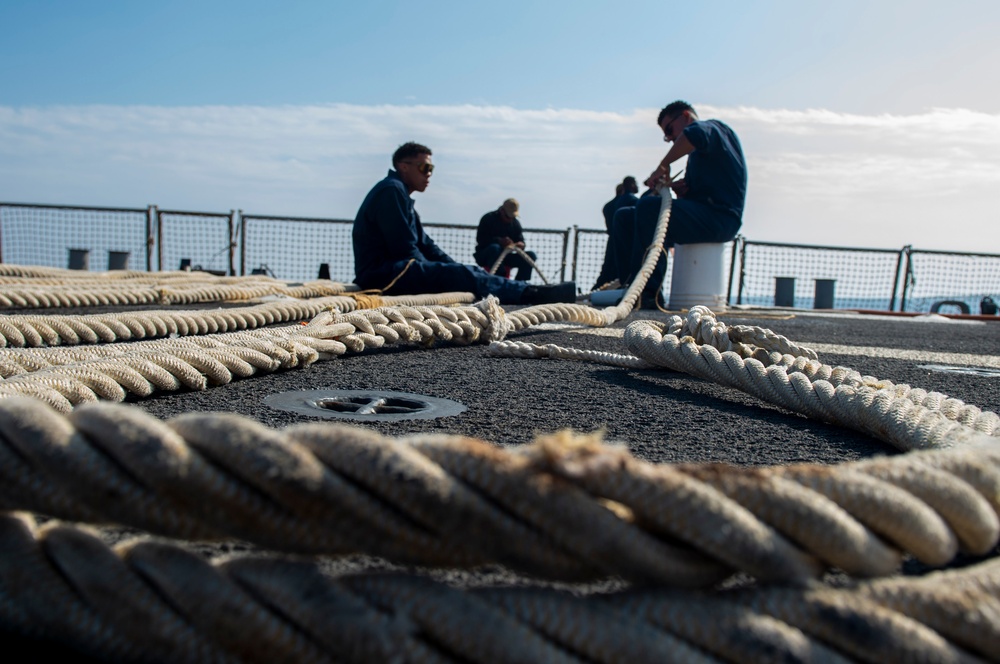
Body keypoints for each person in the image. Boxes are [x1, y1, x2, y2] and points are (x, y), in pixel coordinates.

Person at [353, 142, 576, 305]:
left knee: (464, 272)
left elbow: (426, 245)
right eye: (425, 168)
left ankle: (528, 290)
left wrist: (452, 268)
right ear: (403, 166)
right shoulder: (391, 191)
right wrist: (450, 273)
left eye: (431, 169)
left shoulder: (399, 194)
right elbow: (404, 248)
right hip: (384, 275)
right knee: (464, 275)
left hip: (395, 269)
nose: (429, 175)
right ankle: (532, 294)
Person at [611, 100, 747, 308]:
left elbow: (694, 135)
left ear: (685, 116)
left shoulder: (712, 129)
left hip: (721, 218)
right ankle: (630, 286)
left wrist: (663, 166)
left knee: (648, 207)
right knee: (624, 216)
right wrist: (686, 191)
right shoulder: (701, 154)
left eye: (669, 130)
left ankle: (649, 293)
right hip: (707, 215)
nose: (669, 138)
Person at [593, 177, 640, 290]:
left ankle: (596, 291)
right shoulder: (633, 201)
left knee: (607, 271)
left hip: (612, 242)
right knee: (623, 272)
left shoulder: (608, 206)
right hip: (626, 243)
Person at [474, 198, 537, 281]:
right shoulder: (488, 219)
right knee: (494, 248)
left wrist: (521, 245)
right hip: (486, 255)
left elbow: (520, 240)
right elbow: (481, 240)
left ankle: (520, 284)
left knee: (531, 255)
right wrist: (499, 241)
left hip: (506, 256)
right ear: (502, 211)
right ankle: (500, 280)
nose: (510, 219)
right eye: (508, 216)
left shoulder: (515, 223)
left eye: (513, 217)